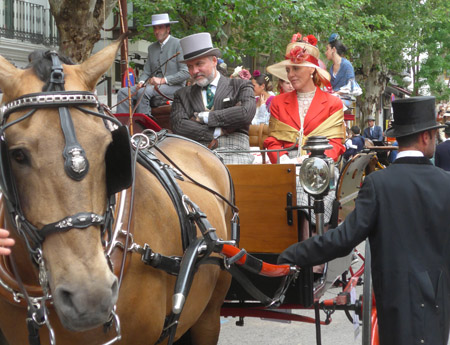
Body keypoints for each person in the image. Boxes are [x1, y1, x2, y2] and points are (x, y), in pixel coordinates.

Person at [278, 96, 450, 345]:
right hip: (437, 300)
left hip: (395, 302)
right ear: (426, 136)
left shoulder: (378, 183)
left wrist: (291, 255)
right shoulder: (446, 183)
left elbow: (342, 239)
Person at [170, 32, 256, 164]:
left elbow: (245, 113)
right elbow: (179, 126)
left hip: (234, 150)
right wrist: (219, 130)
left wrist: (205, 117)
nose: (194, 71)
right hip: (195, 152)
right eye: (190, 66)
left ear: (214, 61)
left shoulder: (240, 85)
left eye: (199, 64)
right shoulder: (181, 94)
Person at [264, 32, 345, 165]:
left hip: (320, 167)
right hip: (285, 167)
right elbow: (273, 141)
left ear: (312, 70)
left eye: (296, 68)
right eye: (288, 70)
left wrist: (307, 162)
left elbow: (335, 145)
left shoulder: (333, 103)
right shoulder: (277, 102)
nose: (290, 75)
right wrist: (285, 163)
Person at [116, 13, 190, 116]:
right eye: (154, 28)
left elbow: (186, 73)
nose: (156, 31)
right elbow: (146, 71)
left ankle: (145, 126)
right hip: (152, 87)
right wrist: (141, 82)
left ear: (168, 29)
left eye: (160, 28)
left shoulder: (179, 44)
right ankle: (123, 127)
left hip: (174, 87)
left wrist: (163, 80)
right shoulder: (152, 48)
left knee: (144, 92)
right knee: (123, 92)